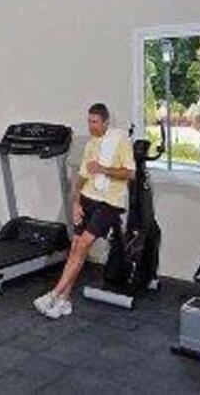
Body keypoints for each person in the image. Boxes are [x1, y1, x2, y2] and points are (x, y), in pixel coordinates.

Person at [33, 103, 135, 319]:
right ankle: (64, 301)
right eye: (89, 121)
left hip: (109, 203)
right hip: (88, 198)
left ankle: (53, 294)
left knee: (83, 246)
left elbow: (130, 173)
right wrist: (76, 202)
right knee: (75, 248)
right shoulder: (90, 144)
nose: (91, 126)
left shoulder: (121, 140)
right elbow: (82, 176)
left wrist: (103, 169)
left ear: (106, 121)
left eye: (95, 122)